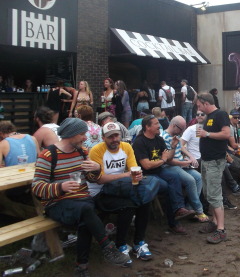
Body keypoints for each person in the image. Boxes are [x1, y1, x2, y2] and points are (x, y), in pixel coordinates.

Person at [32, 118, 131, 275]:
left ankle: (82, 267)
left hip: (83, 201)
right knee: (86, 211)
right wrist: (61, 187)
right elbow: (37, 187)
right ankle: (107, 248)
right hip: (58, 204)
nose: (85, 138)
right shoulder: (48, 155)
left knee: (89, 215)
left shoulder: (82, 152)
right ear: (71, 134)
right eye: (82, 134)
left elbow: (91, 179)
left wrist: (96, 169)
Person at [89, 122, 153, 262]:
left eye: (116, 135)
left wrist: (137, 176)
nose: (114, 139)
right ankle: (121, 245)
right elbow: (99, 179)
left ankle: (139, 242)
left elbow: (133, 169)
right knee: (128, 205)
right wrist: (126, 175)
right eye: (110, 137)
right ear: (103, 138)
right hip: (100, 192)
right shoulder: (96, 150)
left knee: (145, 200)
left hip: (119, 188)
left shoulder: (126, 147)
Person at [132, 115, 194, 235]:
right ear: (147, 127)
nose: (159, 126)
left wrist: (173, 147)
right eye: (156, 124)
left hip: (158, 170)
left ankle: (179, 209)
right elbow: (147, 165)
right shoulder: (139, 142)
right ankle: (173, 222)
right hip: (146, 175)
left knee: (174, 176)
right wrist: (163, 160)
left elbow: (168, 158)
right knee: (168, 186)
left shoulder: (158, 139)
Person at [195, 92, 231, 244]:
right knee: (209, 193)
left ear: (205, 103)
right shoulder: (208, 117)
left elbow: (226, 134)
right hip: (206, 160)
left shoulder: (220, 114)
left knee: (214, 195)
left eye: (199, 106)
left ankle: (221, 230)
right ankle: (215, 222)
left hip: (215, 161)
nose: (198, 109)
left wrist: (207, 134)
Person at [161, 116, 209, 222]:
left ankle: (190, 208)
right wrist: (185, 162)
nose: (182, 132)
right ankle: (199, 210)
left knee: (199, 177)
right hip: (171, 167)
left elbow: (181, 147)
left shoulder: (176, 135)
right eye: (181, 129)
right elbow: (168, 160)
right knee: (190, 180)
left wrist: (189, 157)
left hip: (181, 164)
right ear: (174, 126)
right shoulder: (164, 137)